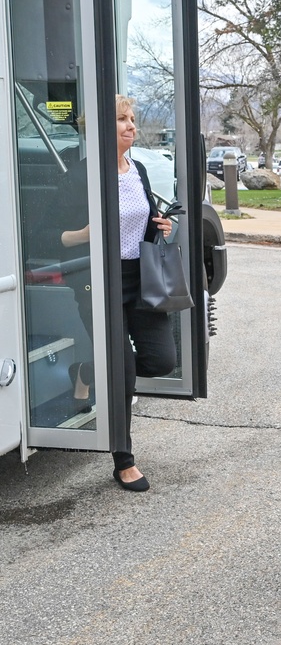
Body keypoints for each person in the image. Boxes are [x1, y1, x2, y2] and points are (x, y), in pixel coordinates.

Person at [58, 94, 177, 492]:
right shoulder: (79, 176)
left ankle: (89, 372)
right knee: (124, 375)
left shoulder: (138, 169)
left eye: (132, 119)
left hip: (140, 277)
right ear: (101, 129)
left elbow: (138, 225)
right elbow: (50, 237)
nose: (132, 127)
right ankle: (123, 460)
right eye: (123, 120)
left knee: (162, 361)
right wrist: (86, 235)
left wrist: (160, 229)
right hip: (97, 280)